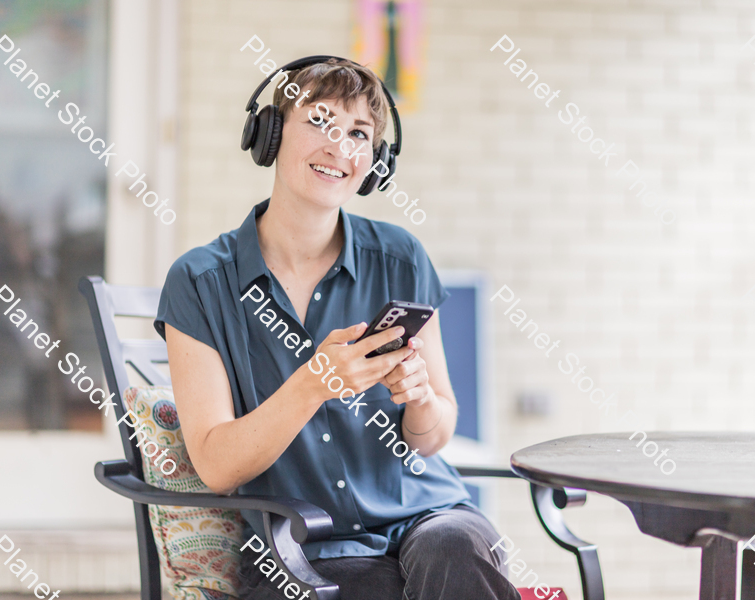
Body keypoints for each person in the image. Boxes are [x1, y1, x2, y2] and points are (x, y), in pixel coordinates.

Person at [154, 57, 520, 600]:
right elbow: (216, 467)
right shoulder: (201, 281)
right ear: (271, 133)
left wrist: (419, 400)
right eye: (320, 122)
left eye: (359, 134)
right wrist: (315, 381)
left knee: (458, 548)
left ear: (376, 160)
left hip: (429, 517)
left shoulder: (401, 257)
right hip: (303, 548)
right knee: (363, 585)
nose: (340, 147)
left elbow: (435, 433)